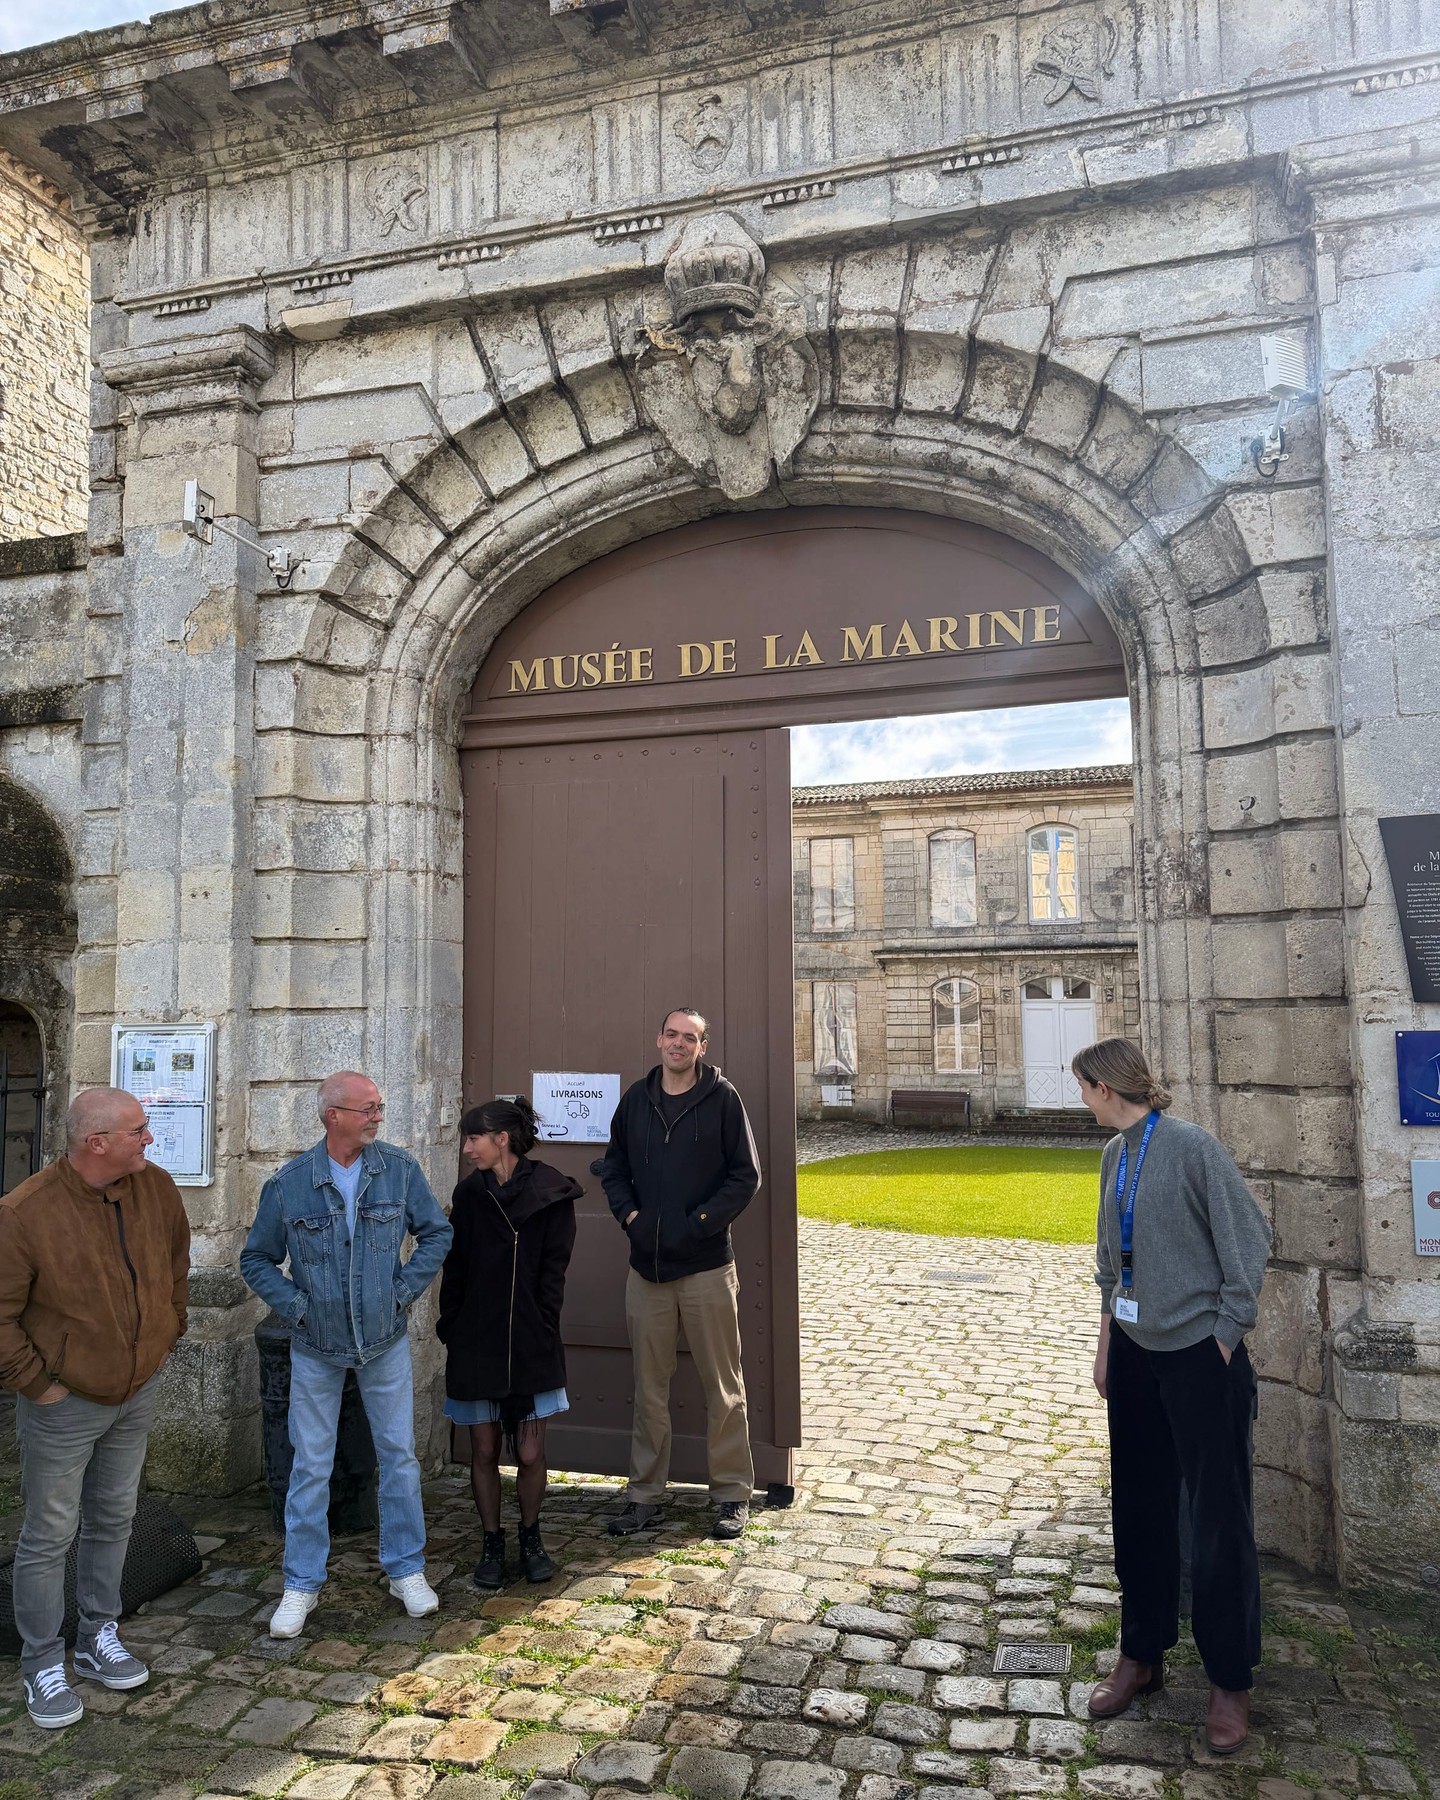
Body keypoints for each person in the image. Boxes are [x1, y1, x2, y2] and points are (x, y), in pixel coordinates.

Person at [1074, 1038, 1271, 1755]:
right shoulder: (1113, 1156)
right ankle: (1143, 1655)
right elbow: (1107, 1263)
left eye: (1083, 1086)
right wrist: (1105, 1350)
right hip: (1133, 1354)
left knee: (1219, 1519)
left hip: (1198, 1356)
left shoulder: (1192, 1148)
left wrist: (1224, 1334)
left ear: (1103, 1086)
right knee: (1139, 1507)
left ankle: (1228, 1680)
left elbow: (1249, 1242)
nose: (1082, 1098)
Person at [0, 1088, 190, 1730]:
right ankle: (42, 1662)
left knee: (115, 1516)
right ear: (95, 1143)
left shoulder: (155, 1187)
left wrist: (166, 1333)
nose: (150, 1139)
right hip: (64, 1402)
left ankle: (98, 1634)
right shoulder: (24, 1213)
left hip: (135, 1389)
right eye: (138, 1130)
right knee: (48, 1535)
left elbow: (175, 1262)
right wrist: (38, 1383)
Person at [240, 1070, 452, 1637]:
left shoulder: (400, 1171)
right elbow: (256, 1259)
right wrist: (298, 1308)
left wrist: (402, 1290)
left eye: (380, 1107)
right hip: (316, 1346)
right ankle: (301, 1583)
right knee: (309, 1465)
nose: (378, 1116)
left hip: (384, 1343)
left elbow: (436, 1233)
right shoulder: (289, 1184)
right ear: (333, 1114)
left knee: (399, 1458)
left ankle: (406, 1569)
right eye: (369, 1108)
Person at [601, 1007, 761, 1540]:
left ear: (702, 1048)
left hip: (707, 1267)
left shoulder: (723, 1099)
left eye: (689, 1038)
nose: (678, 1044)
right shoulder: (635, 1100)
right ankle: (645, 1494)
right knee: (649, 1390)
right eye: (672, 1034)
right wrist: (631, 1218)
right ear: (658, 1040)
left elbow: (746, 1176)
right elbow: (614, 1169)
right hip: (646, 1270)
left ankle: (732, 1494)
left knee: (724, 1386)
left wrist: (699, 1225)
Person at [437, 1096, 580, 1589]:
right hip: (476, 1341)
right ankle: (492, 1542)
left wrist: (543, 1324)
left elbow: (554, 1273)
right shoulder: (471, 1195)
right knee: (482, 1450)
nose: (466, 1147)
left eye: (473, 1138)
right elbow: (454, 1269)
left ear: (501, 1139)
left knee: (532, 1452)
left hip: (532, 1341)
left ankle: (532, 1537)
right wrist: (451, 1326)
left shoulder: (550, 1192)